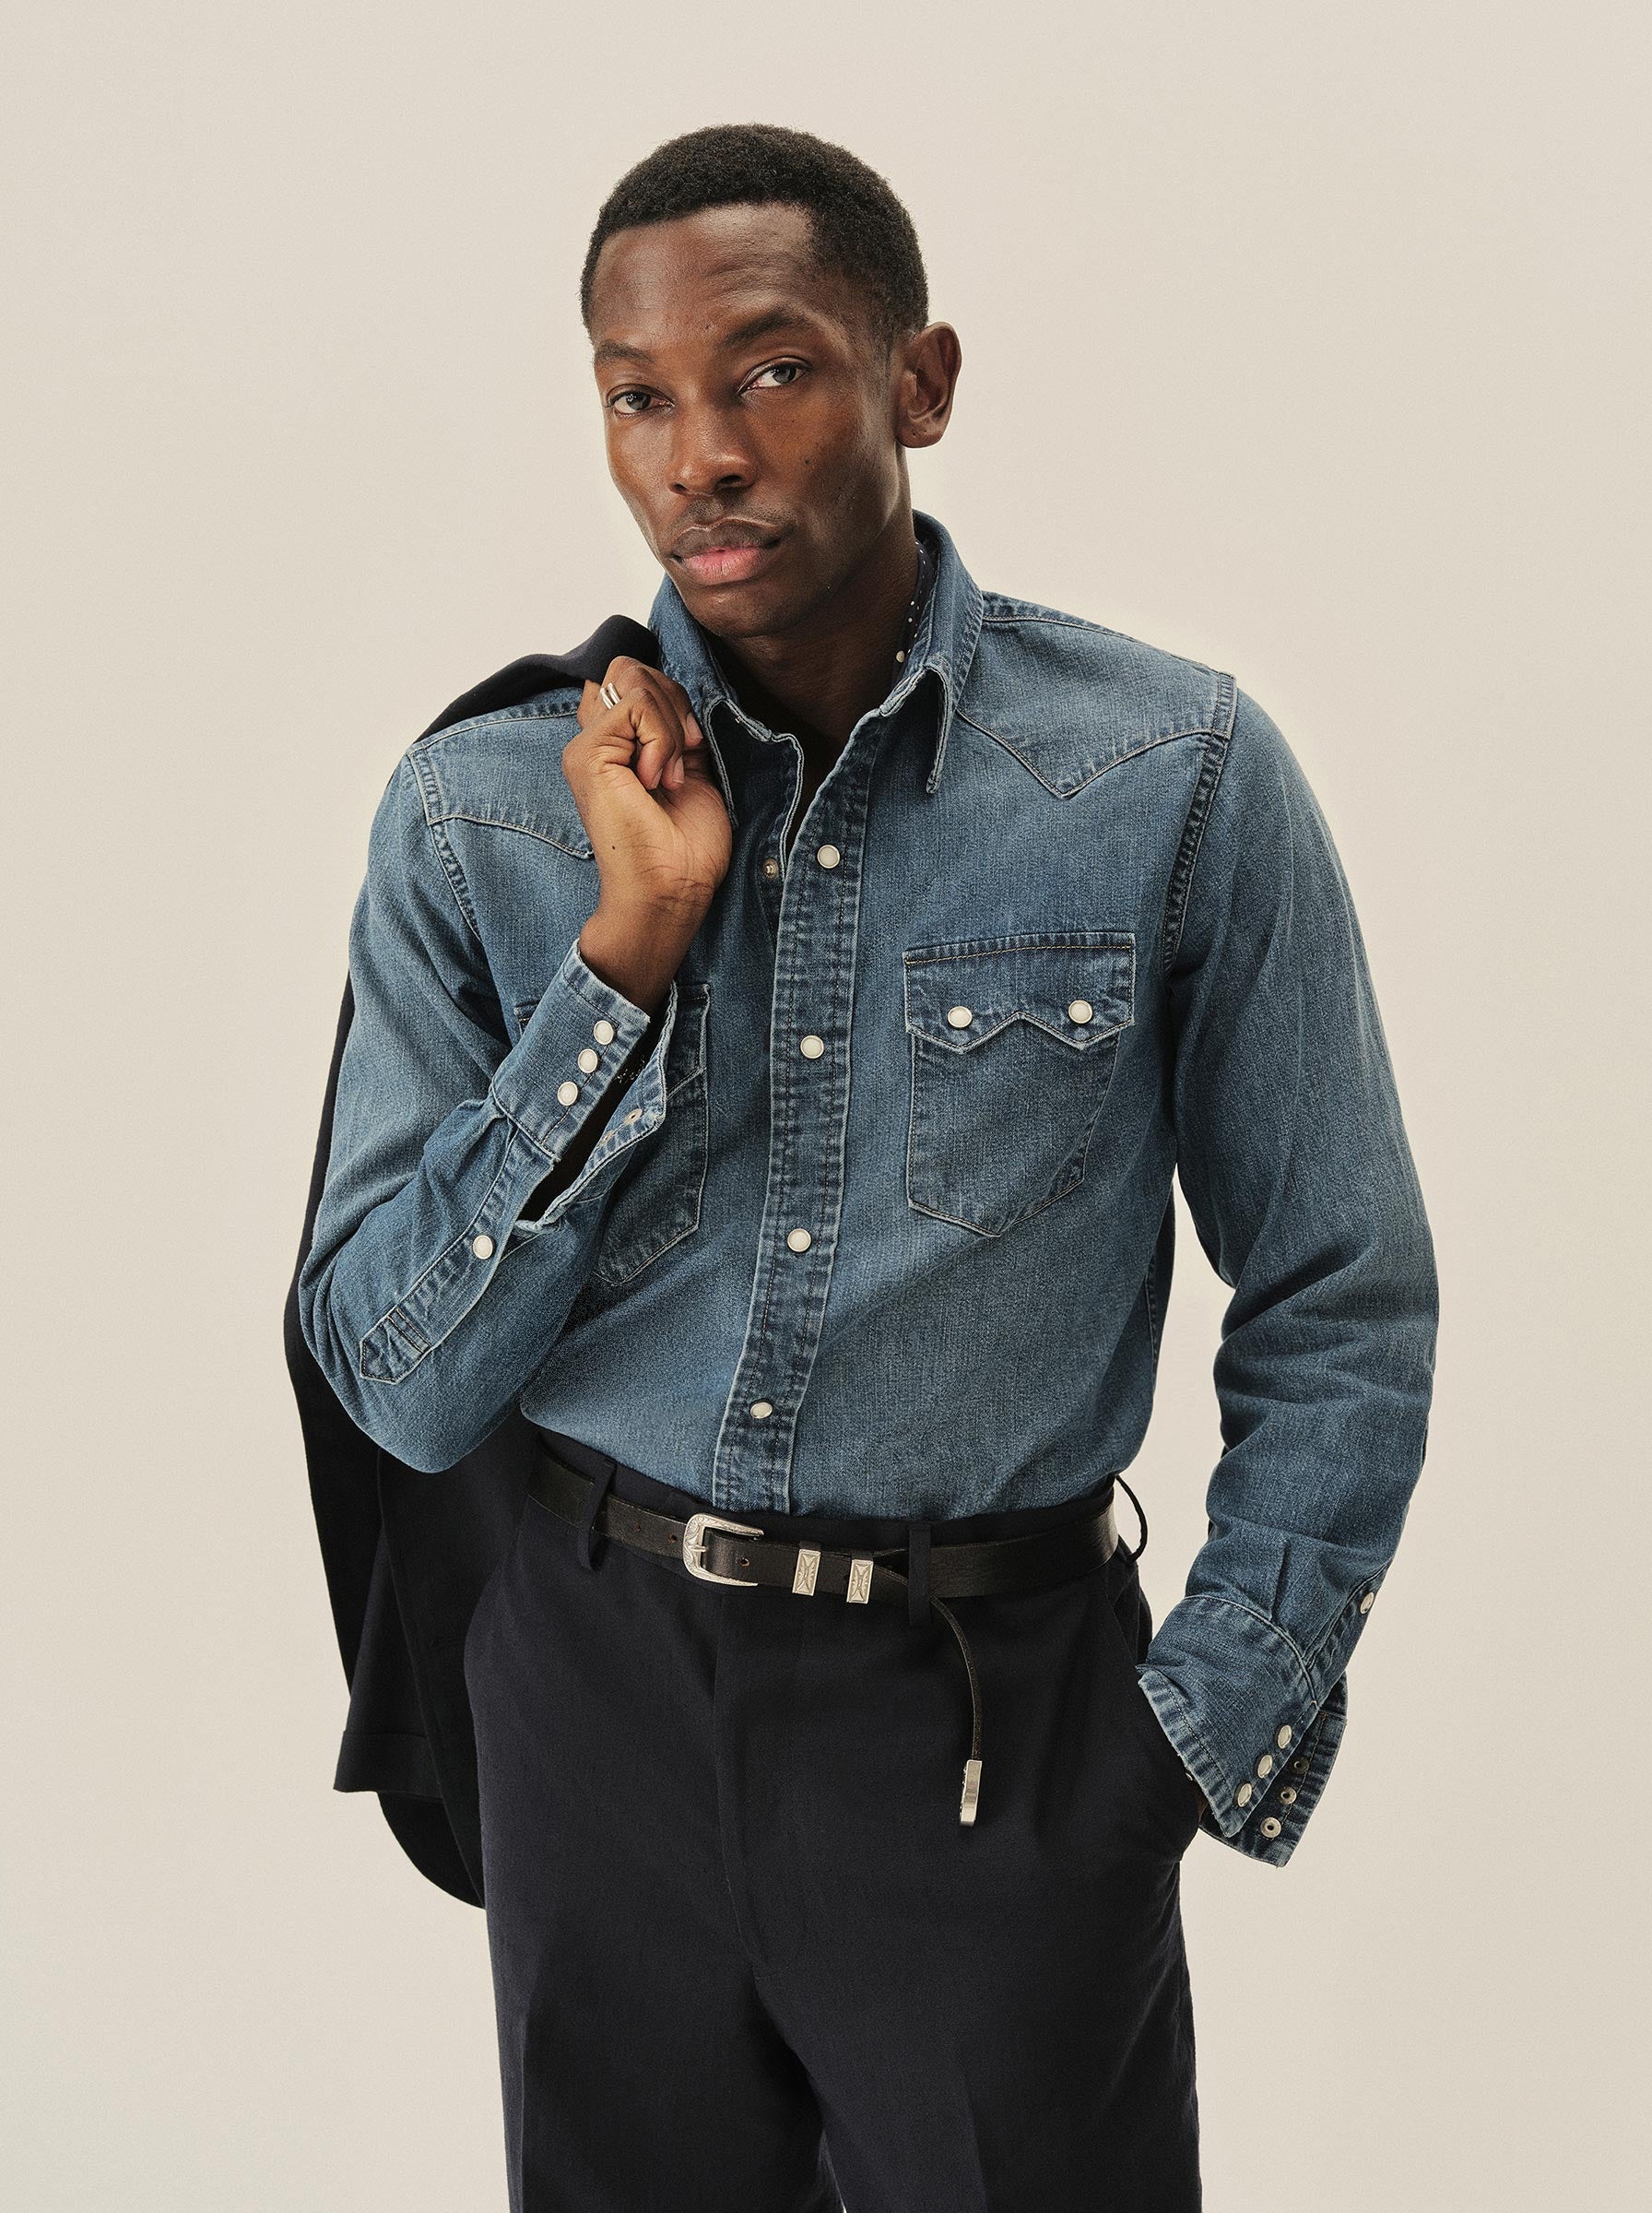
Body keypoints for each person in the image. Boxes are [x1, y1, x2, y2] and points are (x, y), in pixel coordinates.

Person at [297, 121, 1439, 2213]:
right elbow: (397, 1382)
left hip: (994, 1727)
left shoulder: (1168, 775)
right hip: (595, 1705)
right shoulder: (483, 816)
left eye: (771, 372)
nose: (701, 457)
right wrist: (625, 958)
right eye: (638, 397)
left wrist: (1195, 1734)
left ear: (920, 381)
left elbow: (1343, 1289)